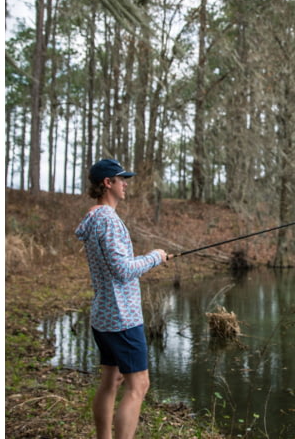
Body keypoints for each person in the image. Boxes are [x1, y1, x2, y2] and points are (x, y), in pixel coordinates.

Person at [75, 158, 172, 439]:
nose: (125, 184)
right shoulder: (107, 219)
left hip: (104, 316)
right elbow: (122, 270)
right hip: (122, 317)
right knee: (139, 385)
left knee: (112, 379)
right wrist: (155, 257)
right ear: (108, 183)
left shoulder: (94, 217)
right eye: (121, 179)